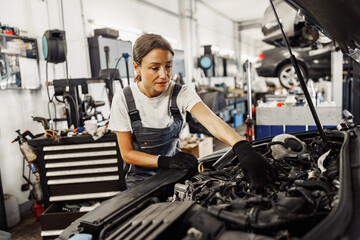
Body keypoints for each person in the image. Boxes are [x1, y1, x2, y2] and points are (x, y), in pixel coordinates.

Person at [108, 33, 271, 189]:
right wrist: (165, 161)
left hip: (172, 174)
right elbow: (127, 153)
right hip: (139, 183)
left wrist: (243, 148)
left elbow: (211, 121)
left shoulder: (179, 92)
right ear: (137, 67)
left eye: (168, 66)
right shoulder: (123, 99)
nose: (164, 75)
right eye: (155, 68)